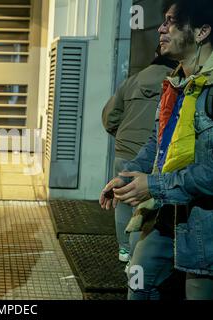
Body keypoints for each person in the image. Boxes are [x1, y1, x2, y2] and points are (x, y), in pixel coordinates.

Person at [100, 0, 213, 300]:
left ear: (202, 31)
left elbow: (211, 174)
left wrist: (152, 185)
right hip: (168, 215)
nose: (161, 28)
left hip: (205, 228)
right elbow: (156, 143)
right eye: (163, 21)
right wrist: (127, 176)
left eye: (172, 22)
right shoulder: (175, 84)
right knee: (138, 280)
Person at [102, 49, 177, 262]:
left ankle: (124, 250)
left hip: (125, 150)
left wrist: (124, 136)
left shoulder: (132, 81)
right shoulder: (175, 83)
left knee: (123, 199)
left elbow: (110, 117)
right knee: (146, 208)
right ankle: (138, 256)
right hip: (155, 154)